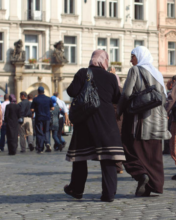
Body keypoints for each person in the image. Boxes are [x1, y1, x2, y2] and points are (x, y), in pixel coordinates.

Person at [64, 50, 124, 202]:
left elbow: (71, 91)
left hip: (85, 122)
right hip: (106, 122)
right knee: (109, 158)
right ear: (105, 61)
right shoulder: (111, 77)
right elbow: (117, 97)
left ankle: (76, 190)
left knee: (80, 158)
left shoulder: (83, 73)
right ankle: (109, 194)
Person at [118, 46, 171, 197]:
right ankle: (153, 185)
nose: (130, 60)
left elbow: (126, 94)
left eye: (132, 56)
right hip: (157, 121)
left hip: (139, 120)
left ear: (139, 57)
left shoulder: (135, 70)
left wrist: (119, 111)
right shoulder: (158, 74)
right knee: (153, 155)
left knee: (128, 148)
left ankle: (141, 174)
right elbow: (163, 98)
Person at [31, 86, 54, 153]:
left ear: (38, 92)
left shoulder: (35, 99)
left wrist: (36, 109)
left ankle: (40, 147)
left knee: (39, 132)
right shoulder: (48, 99)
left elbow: (32, 109)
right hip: (47, 117)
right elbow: (52, 108)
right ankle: (47, 142)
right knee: (46, 131)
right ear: (44, 91)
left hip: (39, 117)